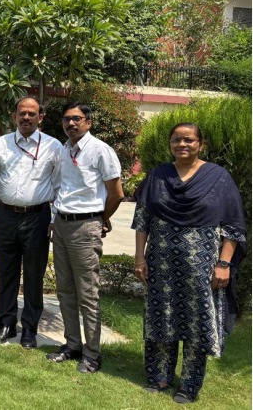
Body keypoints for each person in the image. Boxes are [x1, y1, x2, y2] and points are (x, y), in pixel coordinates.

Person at [132, 123, 246, 404]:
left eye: (189, 140)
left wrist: (224, 263)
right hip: (161, 263)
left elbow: (233, 226)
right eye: (176, 140)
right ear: (170, 144)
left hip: (201, 266)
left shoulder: (218, 178)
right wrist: (139, 257)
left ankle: (189, 384)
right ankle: (159, 377)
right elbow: (143, 219)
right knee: (161, 316)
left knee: (196, 322)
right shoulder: (158, 175)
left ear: (200, 144)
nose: (182, 144)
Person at [46, 102, 124, 374]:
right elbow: (62, 188)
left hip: (85, 226)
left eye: (77, 119)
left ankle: (92, 354)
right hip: (62, 225)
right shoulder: (64, 149)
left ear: (88, 122)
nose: (71, 123)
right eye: (66, 119)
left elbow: (117, 193)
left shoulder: (100, 150)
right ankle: (72, 345)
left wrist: (100, 219)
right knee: (65, 290)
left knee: (87, 294)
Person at [0, 96, 61, 349]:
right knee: (6, 272)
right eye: (22, 113)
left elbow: (59, 184)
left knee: (34, 275)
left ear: (41, 118)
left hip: (38, 217)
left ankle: (29, 328)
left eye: (32, 113)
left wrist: (54, 217)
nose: (26, 117)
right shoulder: (1, 144)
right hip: (5, 216)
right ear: (14, 116)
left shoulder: (53, 147)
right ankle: (6, 325)